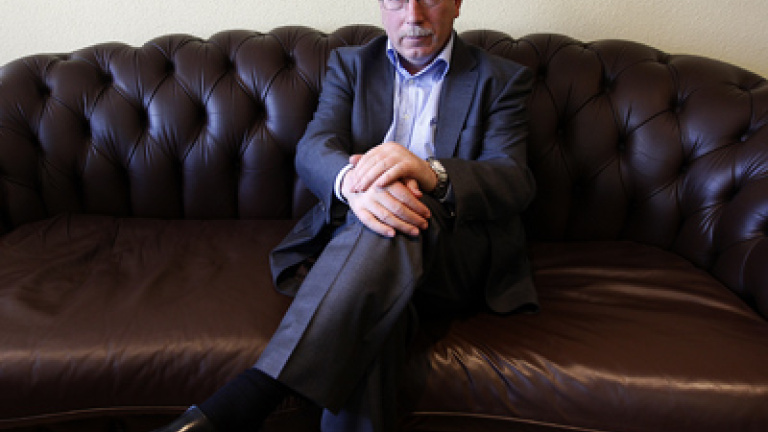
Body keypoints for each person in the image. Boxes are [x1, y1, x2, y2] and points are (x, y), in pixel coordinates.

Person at [152, 0, 537, 430]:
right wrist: (354, 186)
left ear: (457, 4)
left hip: (454, 255)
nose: (412, 15)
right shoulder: (352, 65)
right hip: (367, 247)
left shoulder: (500, 78)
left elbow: (512, 179)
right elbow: (315, 147)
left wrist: (429, 172)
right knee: (378, 311)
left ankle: (255, 394)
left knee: (401, 218)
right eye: (397, 0)